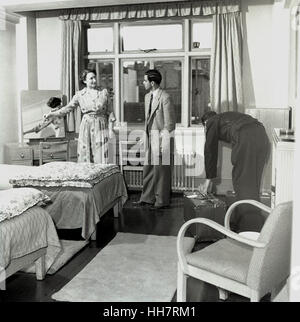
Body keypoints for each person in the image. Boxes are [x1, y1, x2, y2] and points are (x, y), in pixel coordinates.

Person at [199, 110, 270, 232]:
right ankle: (249, 222)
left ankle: (249, 230)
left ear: (205, 123)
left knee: (243, 184)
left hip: (247, 139)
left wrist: (207, 182)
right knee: (252, 184)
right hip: (262, 136)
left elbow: (210, 151)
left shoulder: (211, 122)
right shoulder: (227, 116)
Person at [45, 69, 116, 163]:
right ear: (85, 81)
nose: (94, 80)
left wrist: (111, 130)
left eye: (95, 78)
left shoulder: (104, 93)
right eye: (91, 78)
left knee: (101, 155)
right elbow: (67, 108)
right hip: (86, 127)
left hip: (101, 126)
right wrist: (51, 114)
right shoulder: (80, 95)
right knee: (86, 156)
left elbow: (110, 112)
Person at [133, 69, 176, 210]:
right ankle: (147, 198)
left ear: (152, 83)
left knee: (161, 171)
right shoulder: (147, 97)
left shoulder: (165, 97)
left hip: (162, 137)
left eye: (145, 81)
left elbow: (170, 124)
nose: (143, 83)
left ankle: (161, 201)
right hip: (150, 137)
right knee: (148, 168)